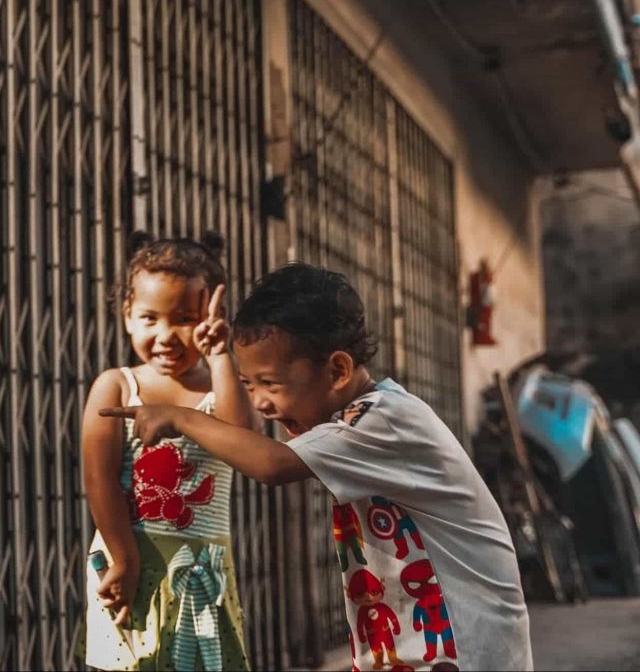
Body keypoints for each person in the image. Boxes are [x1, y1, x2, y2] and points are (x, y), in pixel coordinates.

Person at [101, 262, 532, 671]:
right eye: (249, 384)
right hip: (419, 647)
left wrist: (182, 417)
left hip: (467, 647)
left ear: (338, 370)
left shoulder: (383, 419)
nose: (261, 403)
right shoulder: (360, 419)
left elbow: (271, 464)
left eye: (271, 384)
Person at [80, 232, 251, 671]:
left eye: (184, 319)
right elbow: (98, 479)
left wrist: (219, 359)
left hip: (204, 569)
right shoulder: (117, 384)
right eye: (149, 318)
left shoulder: (220, 386)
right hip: (130, 562)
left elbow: (243, 442)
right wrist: (123, 555)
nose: (165, 335)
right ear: (127, 317)